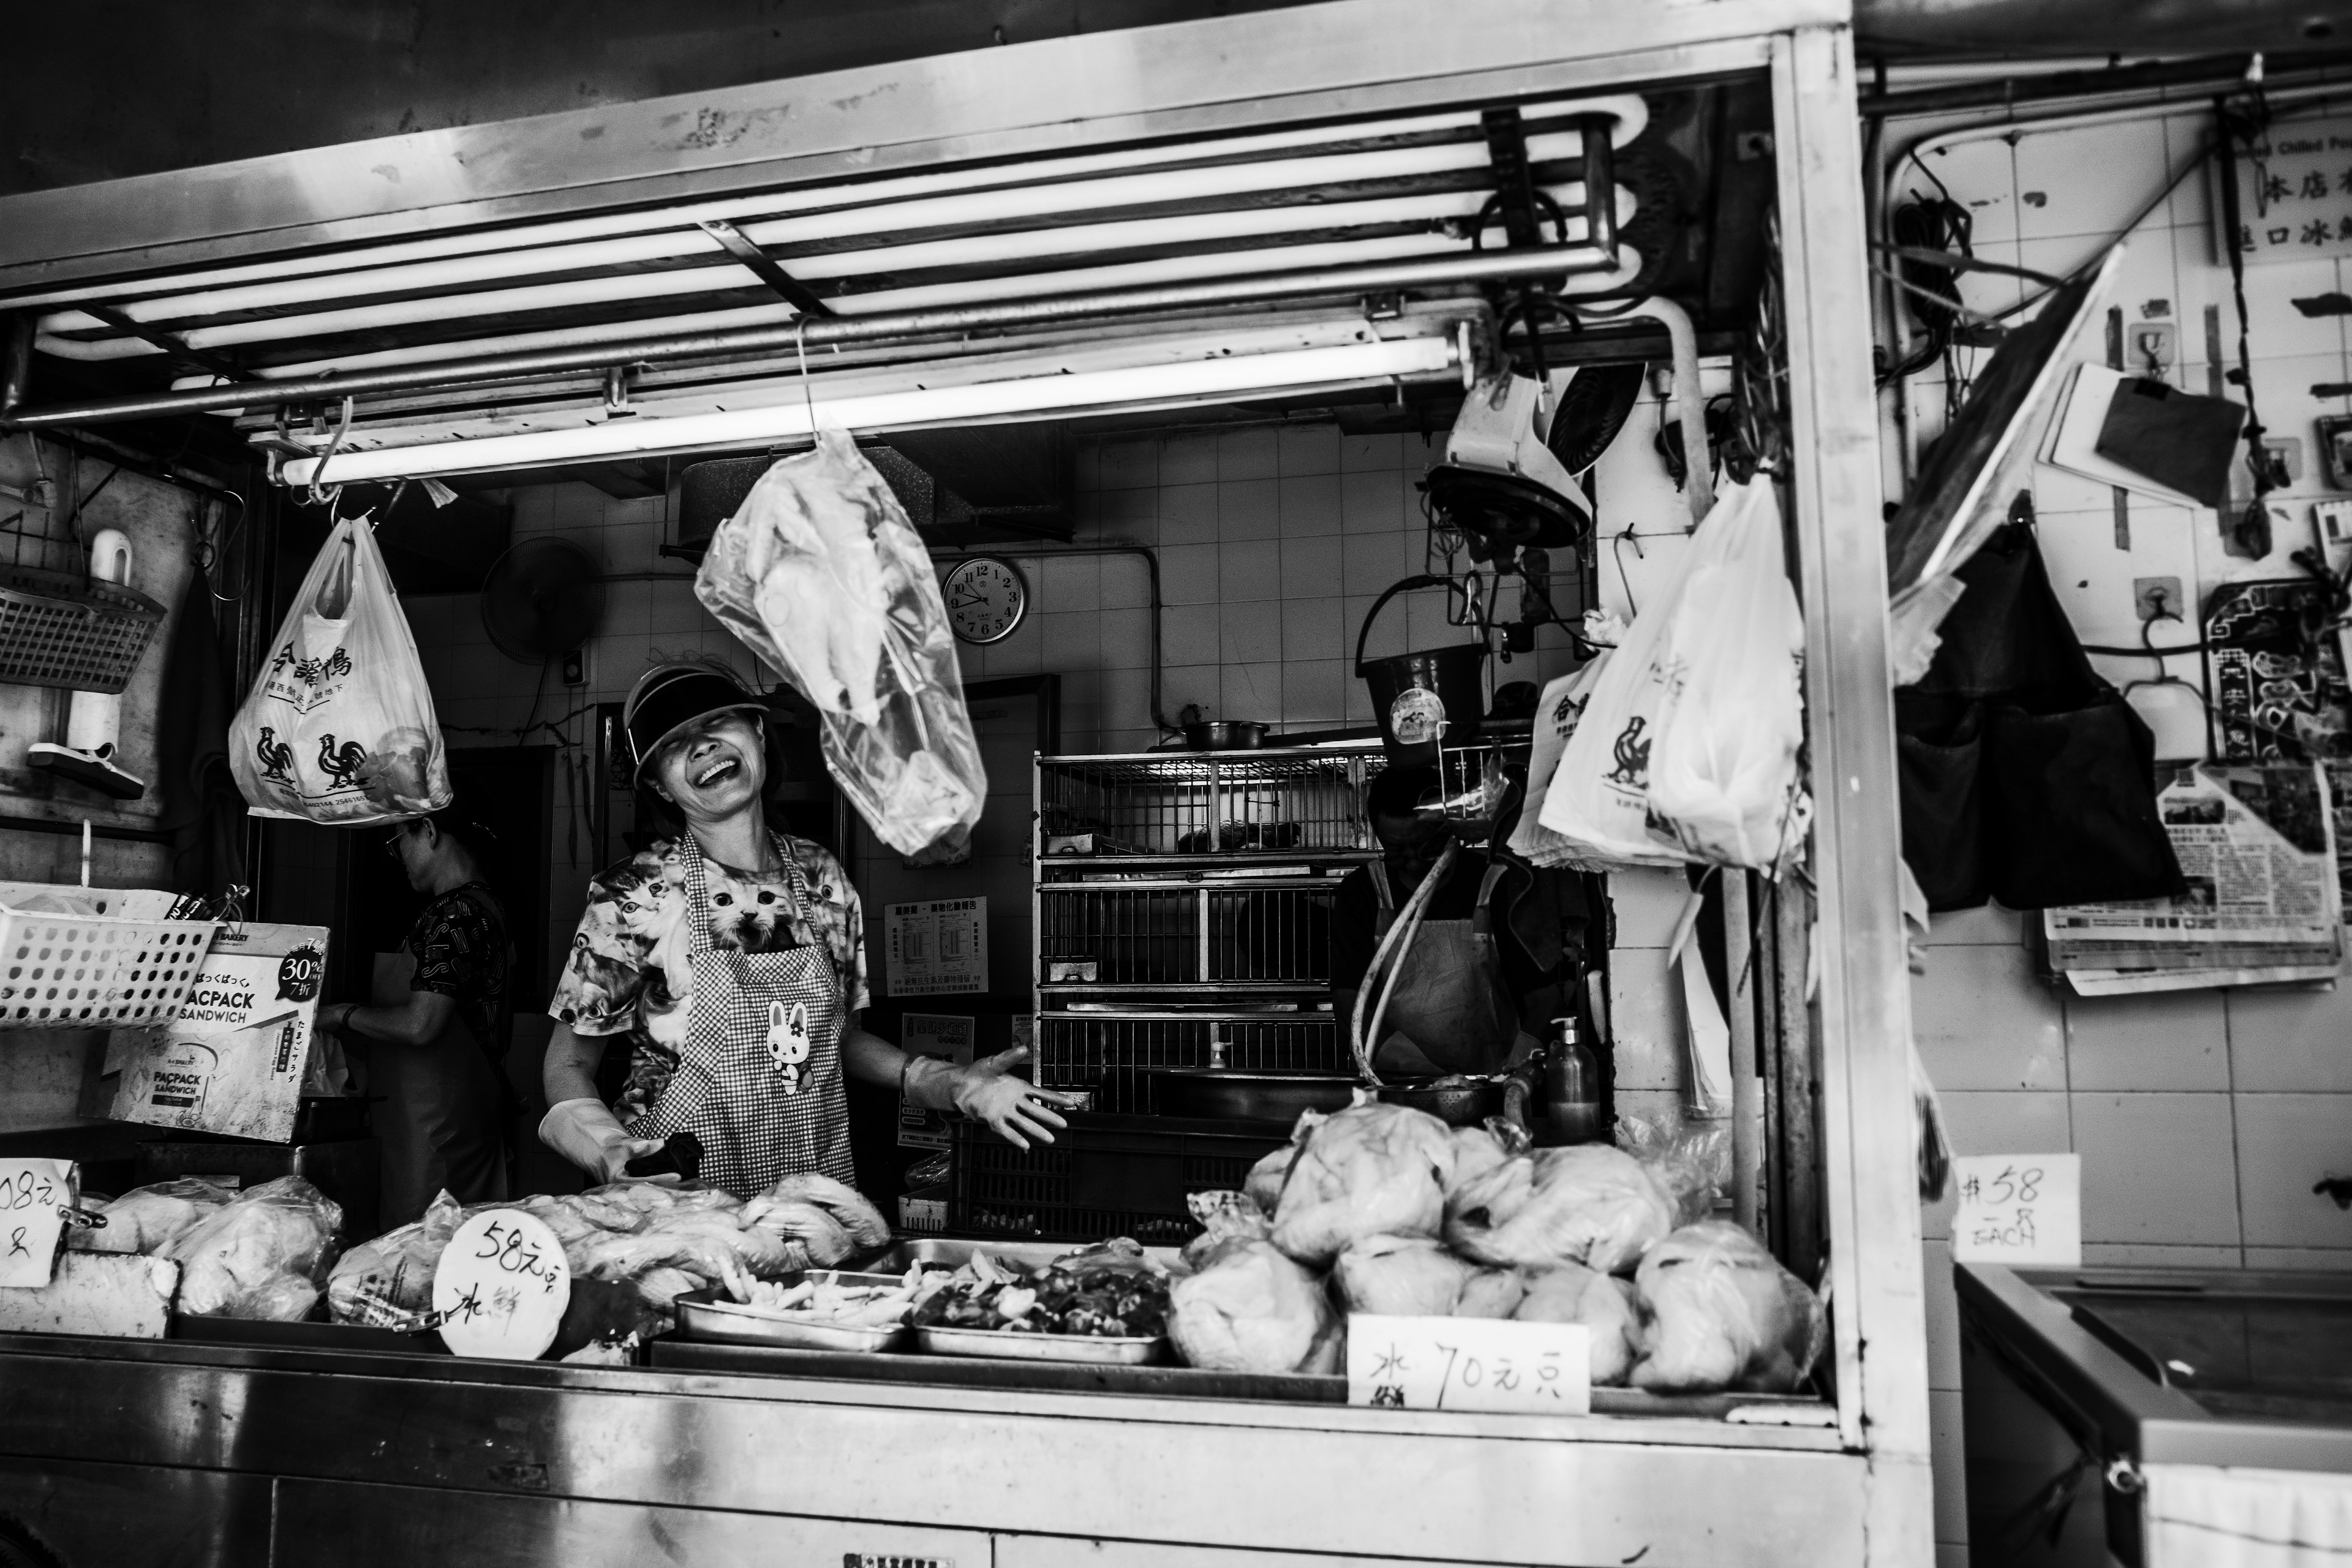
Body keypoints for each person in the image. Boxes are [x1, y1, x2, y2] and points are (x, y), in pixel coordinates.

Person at [538, 662, 1071, 1197]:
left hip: (813, 1194)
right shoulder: (634, 894)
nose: (702, 747)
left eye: (718, 723)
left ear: (759, 733)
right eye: (676, 746)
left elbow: (839, 1038)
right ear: (659, 784)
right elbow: (567, 1061)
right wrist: (608, 1148)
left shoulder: (823, 876)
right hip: (681, 1203)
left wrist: (950, 1083)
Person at [317, 805, 514, 1229]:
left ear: (427, 830)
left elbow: (419, 1025)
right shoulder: (484, 906)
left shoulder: (456, 914)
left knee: (422, 1256)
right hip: (447, 1124)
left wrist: (339, 1015)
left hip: (436, 1136)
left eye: (398, 842)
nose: (398, 856)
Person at [1329, 764, 1576, 1079]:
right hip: (1399, 1083)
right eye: (1396, 852)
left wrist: (1517, 1072)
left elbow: (1543, 999)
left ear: (1452, 831)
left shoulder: (1496, 885)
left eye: (1426, 848)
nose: (1414, 863)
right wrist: (1413, 1074)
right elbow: (1350, 1001)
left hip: (1493, 1080)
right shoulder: (1363, 893)